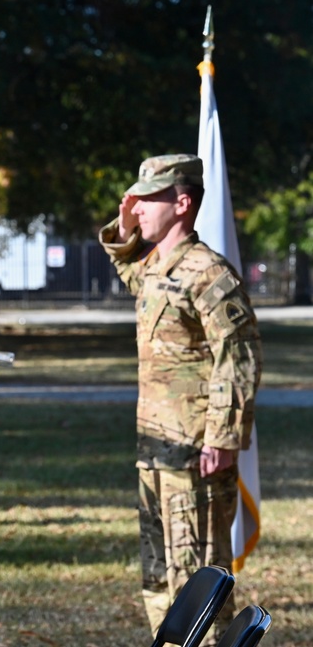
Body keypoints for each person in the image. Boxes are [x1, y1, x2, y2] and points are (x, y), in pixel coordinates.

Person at [99, 154, 262, 645]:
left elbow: (240, 355)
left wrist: (224, 439)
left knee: (200, 584)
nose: (138, 206)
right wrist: (123, 224)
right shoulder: (156, 267)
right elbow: (125, 263)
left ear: (183, 203)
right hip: (155, 450)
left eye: (148, 199)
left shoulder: (207, 272)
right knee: (159, 577)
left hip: (196, 453)